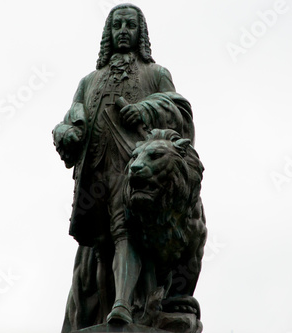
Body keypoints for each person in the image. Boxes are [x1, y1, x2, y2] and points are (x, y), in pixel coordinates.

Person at [53, 3, 195, 329]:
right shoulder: (89, 81)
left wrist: (144, 109)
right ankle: (111, 311)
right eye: (117, 25)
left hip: (134, 166)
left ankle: (123, 306)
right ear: (108, 33)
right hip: (95, 168)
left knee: (125, 233)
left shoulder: (155, 74)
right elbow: (73, 117)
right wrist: (69, 133)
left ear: (140, 32)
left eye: (129, 25)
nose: (123, 31)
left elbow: (179, 110)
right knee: (102, 246)